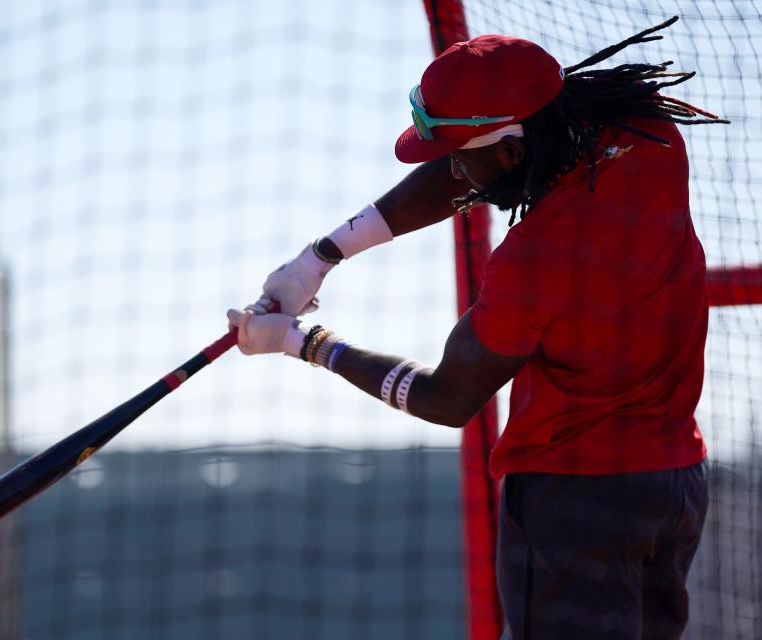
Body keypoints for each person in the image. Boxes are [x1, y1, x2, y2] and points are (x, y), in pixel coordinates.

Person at [226, 16, 728, 640]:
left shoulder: (530, 262)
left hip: (573, 507)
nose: (455, 177)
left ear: (513, 151)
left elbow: (446, 399)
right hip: (673, 485)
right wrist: (320, 257)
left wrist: (303, 342)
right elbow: (472, 172)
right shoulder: (647, 132)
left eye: (462, 161)